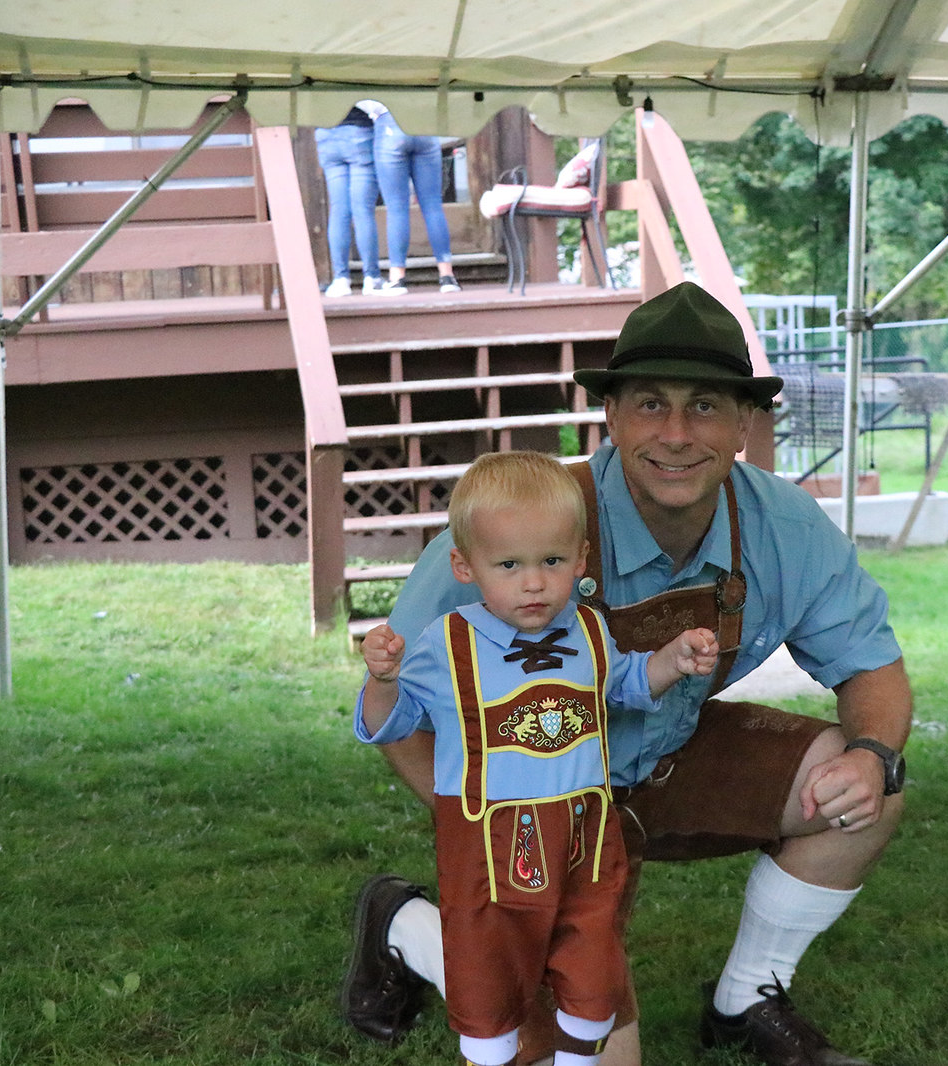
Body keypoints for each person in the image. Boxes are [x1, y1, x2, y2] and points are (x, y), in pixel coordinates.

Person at [341, 282, 913, 1066]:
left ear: (744, 422)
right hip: (536, 806)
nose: (676, 434)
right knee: (596, 1059)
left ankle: (746, 999)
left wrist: (870, 756)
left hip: (671, 758)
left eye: (705, 406)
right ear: (609, 416)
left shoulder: (783, 525)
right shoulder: (524, 523)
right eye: (650, 404)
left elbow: (873, 666)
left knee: (868, 794)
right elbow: (396, 699)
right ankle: (404, 924)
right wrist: (477, 824)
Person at [354, 450, 719, 1066]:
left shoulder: (588, 629)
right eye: (509, 565)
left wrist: (670, 661)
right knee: (491, 970)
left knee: (592, 961)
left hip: (585, 838)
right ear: (465, 567)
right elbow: (387, 724)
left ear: (580, 560)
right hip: (489, 847)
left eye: (551, 561)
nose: (533, 582)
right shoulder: (447, 644)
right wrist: (385, 680)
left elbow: (625, 683)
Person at [371, 104, 461, 294]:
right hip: (424, 124)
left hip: (389, 123)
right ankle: (447, 277)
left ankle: (397, 279)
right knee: (433, 205)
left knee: (396, 208)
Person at [314, 101, 400, 298]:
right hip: (358, 131)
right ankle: (371, 278)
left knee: (339, 211)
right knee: (362, 210)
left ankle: (341, 279)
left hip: (326, 134)